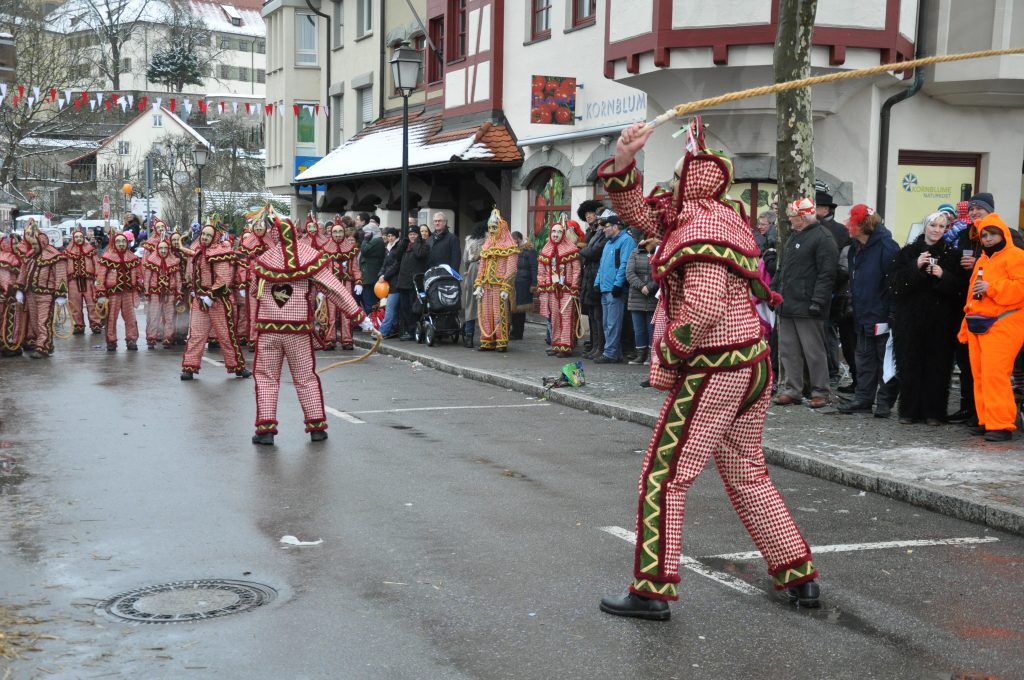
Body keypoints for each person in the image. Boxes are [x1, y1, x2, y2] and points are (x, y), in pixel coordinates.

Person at [596, 120, 818, 621]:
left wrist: (672, 353)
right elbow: (639, 212)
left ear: (691, 182)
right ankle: (798, 574)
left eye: (674, 179)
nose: (666, 189)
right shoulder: (713, 216)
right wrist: (625, 158)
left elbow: (703, 304)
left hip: (718, 368)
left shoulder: (698, 227)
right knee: (747, 473)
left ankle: (652, 588)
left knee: (664, 476)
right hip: (751, 364)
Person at [250, 214, 374, 446]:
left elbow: (253, 297)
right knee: (306, 378)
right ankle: (317, 428)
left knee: (266, 379)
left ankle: (266, 430)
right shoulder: (308, 259)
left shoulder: (263, 261)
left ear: (275, 236)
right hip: (298, 331)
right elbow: (334, 289)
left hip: (268, 329)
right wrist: (360, 317)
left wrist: (252, 330)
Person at [890, 211, 965, 424]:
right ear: (925, 227)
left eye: (942, 227)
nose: (937, 230)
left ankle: (934, 412)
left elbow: (960, 289)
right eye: (933, 225)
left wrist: (943, 275)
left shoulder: (952, 255)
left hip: (941, 321)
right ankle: (909, 411)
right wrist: (915, 266)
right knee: (909, 363)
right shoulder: (907, 253)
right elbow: (893, 285)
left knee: (938, 366)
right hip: (910, 320)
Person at [957, 215, 1024, 442]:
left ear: (1003, 233)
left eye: (992, 234)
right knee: (980, 375)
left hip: (1005, 323)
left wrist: (991, 287)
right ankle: (986, 420)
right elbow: (972, 295)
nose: (987, 238)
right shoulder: (983, 261)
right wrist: (965, 324)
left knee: (995, 374)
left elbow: (1020, 288)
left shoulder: (1017, 256)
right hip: (979, 324)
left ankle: (1002, 425)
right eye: (984, 235)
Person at [771, 198, 838, 408]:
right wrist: (773, 289)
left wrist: (818, 301)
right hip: (788, 303)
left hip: (809, 306)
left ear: (802, 217)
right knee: (788, 350)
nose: (789, 219)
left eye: (792, 216)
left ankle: (821, 391)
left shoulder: (823, 238)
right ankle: (792, 389)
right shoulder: (794, 236)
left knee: (814, 350)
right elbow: (784, 269)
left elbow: (827, 274)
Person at [837, 205, 900, 417]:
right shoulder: (856, 248)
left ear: (862, 225)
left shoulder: (887, 247)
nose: (848, 225)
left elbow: (893, 284)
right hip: (863, 313)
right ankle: (863, 399)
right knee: (864, 359)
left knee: (885, 361)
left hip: (881, 313)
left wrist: (890, 313)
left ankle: (884, 403)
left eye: (852, 222)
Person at [180, 224, 250, 380]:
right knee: (196, 334)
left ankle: (237, 366)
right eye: (203, 234)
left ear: (215, 238)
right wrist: (195, 290)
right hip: (200, 299)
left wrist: (210, 296)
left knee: (226, 335)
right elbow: (195, 275)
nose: (204, 237)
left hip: (218, 300)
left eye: (208, 235)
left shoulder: (220, 253)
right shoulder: (199, 252)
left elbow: (223, 279)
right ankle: (189, 368)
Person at [816, 185, 857, 392]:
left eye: (816, 206)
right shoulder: (834, 229)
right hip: (826, 287)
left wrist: (832, 287)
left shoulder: (840, 231)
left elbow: (843, 264)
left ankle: (831, 369)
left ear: (825, 209)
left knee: (829, 331)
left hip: (835, 288)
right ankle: (829, 370)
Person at [16, 224, 68, 359]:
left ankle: (42, 347)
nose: (33, 247)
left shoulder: (55, 256)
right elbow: (23, 272)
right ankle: (47, 344)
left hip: (46, 294)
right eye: (32, 244)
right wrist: (19, 289)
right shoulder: (31, 255)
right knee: (34, 321)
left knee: (43, 321)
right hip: (30, 293)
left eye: (35, 244)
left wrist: (60, 295)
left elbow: (60, 275)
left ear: (42, 242)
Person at [593, 215, 636, 363]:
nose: (604, 229)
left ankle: (610, 353)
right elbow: (602, 265)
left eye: (607, 226)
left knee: (613, 323)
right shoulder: (608, 243)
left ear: (616, 227)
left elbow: (625, 264)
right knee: (607, 323)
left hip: (614, 289)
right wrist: (597, 282)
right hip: (606, 288)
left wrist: (618, 284)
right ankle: (613, 352)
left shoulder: (626, 241)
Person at [474, 208, 518, 352]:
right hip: (486, 285)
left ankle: (501, 341)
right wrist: (478, 284)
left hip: (500, 286)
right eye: (490, 228)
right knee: (486, 313)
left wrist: (506, 287)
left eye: (494, 227)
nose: (492, 230)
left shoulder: (510, 246)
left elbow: (511, 269)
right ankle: (487, 340)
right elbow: (482, 267)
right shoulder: (487, 245)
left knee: (500, 314)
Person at [537, 221, 581, 357]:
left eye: (559, 232)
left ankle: (565, 346)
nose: (556, 234)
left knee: (566, 317)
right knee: (554, 317)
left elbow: (576, 270)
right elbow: (542, 271)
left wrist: (574, 287)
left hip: (567, 289)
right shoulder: (545, 249)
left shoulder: (571, 249)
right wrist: (543, 286)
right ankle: (556, 344)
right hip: (551, 290)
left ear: (563, 234)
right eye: (554, 232)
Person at [320, 217, 362, 351]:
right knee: (331, 314)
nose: (337, 235)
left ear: (344, 233)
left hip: (346, 284)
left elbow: (355, 268)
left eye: (340, 232)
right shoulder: (325, 249)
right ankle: (330, 339)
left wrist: (359, 281)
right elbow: (322, 270)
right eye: (335, 232)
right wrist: (321, 287)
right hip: (330, 286)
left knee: (346, 313)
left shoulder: (351, 249)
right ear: (331, 234)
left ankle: (347, 340)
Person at [95, 231, 142, 352]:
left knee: (130, 318)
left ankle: (131, 340)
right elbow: (100, 277)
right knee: (111, 318)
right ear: (114, 243)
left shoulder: (133, 257)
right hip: (112, 294)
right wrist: (100, 293)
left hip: (128, 293)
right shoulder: (107, 257)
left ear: (127, 243)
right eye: (118, 241)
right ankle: (111, 341)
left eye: (123, 241)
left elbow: (138, 275)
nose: (121, 244)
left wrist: (139, 286)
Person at [578, 201, 607, 357]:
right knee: (591, 314)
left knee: (598, 316)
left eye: (593, 214)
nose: (590, 216)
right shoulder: (593, 232)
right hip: (589, 275)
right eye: (587, 214)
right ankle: (595, 345)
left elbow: (592, 251)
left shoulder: (601, 234)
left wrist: (582, 247)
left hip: (596, 276)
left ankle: (599, 347)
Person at [142, 239, 182, 349]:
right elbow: (147, 278)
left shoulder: (174, 262)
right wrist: (146, 292)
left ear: (169, 250)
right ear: (157, 249)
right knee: (154, 316)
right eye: (161, 248)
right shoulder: (151, 261)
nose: (163, 250)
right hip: (155, 293)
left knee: (169, 317)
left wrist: (178, 292)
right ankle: (151, 338)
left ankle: (168, 338)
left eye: (165, 248)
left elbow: (178, 279)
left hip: (170, 293)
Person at [625, 236, 658, 366]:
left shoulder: (660, 252)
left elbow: (660, 272)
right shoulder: (635, 253)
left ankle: (651, 355)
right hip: (637, 296)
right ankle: (640, 354)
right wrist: (641, 286)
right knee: (638, 329)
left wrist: (650, 286)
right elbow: (629, 273)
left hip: (652, 295)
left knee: (651, 328)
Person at [63, 226, 102, 335]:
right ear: (73, 238)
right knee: (74, 304)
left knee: (92, 303)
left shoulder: (90, 250)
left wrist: (98, 281)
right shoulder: (67, 251)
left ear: (84, 237)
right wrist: (63, 283)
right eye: (77, 237)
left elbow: (97, 265)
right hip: (73, 281)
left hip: (89, 281)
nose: (79, 239)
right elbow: (64, 268)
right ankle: (78, 325)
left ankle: (96, 324)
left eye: (81, 237)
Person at [396, 227, 429, 340]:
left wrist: (416, 242)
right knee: (405, 309)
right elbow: (397, 256)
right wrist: (403, 242)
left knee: (415, 309)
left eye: (414, 234)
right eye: (410, 234)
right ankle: (411, 331)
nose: (412, 236)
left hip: (414, 283)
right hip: (403, 283)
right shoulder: (405, 245)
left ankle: (417, 331)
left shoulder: (423, 244)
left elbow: (420, 254)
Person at [459, 221, 487, 348]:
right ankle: (485, 338)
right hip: (486, 270)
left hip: (471, 270)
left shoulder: (469, 240)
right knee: (485, 304)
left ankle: (469, 336)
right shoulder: (490, 239)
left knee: (470, 304)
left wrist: (467, 272)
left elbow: (465, 259)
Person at [0, 235, 26, 357]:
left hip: (10, 295)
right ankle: (8, 346)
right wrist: (11, 293)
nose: (17, 246)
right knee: (9, 320)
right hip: (8, 297)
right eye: (14, 244)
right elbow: (6, 280)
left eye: (17, 243)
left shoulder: (15, 257)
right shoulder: (6, 258)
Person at [509, 231, 537, 340]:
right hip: (515, 282)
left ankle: (518, 332)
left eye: (514, 240)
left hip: (524, 283)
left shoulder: (529, 250)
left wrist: (534, 283)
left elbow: (534, 268)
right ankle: (514, 331)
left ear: (519, 239)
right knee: (514, 308)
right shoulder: (514, 251)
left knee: (520, 309)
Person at [377, 227, 404, 338]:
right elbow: (385, 264)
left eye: (392, 235)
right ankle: (394, 328)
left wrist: (385, 275)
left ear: (396, 236)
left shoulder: (398, 247)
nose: (390, 237)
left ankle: (383, 332)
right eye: (388, 236)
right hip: (387, 283)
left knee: (390, 308)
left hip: (395, 282)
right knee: (392, 308)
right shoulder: (387, 248)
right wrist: (380, 274)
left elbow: (396, 265)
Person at [358, 217, 385, 312]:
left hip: (371, 276)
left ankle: (372, 319)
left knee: (370, 301)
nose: (365, 235)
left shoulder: (376, 240)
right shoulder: (375, 240)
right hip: (369, 275)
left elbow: (364, 251)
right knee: (367, 300)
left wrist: (365, 240)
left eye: (367, 232)